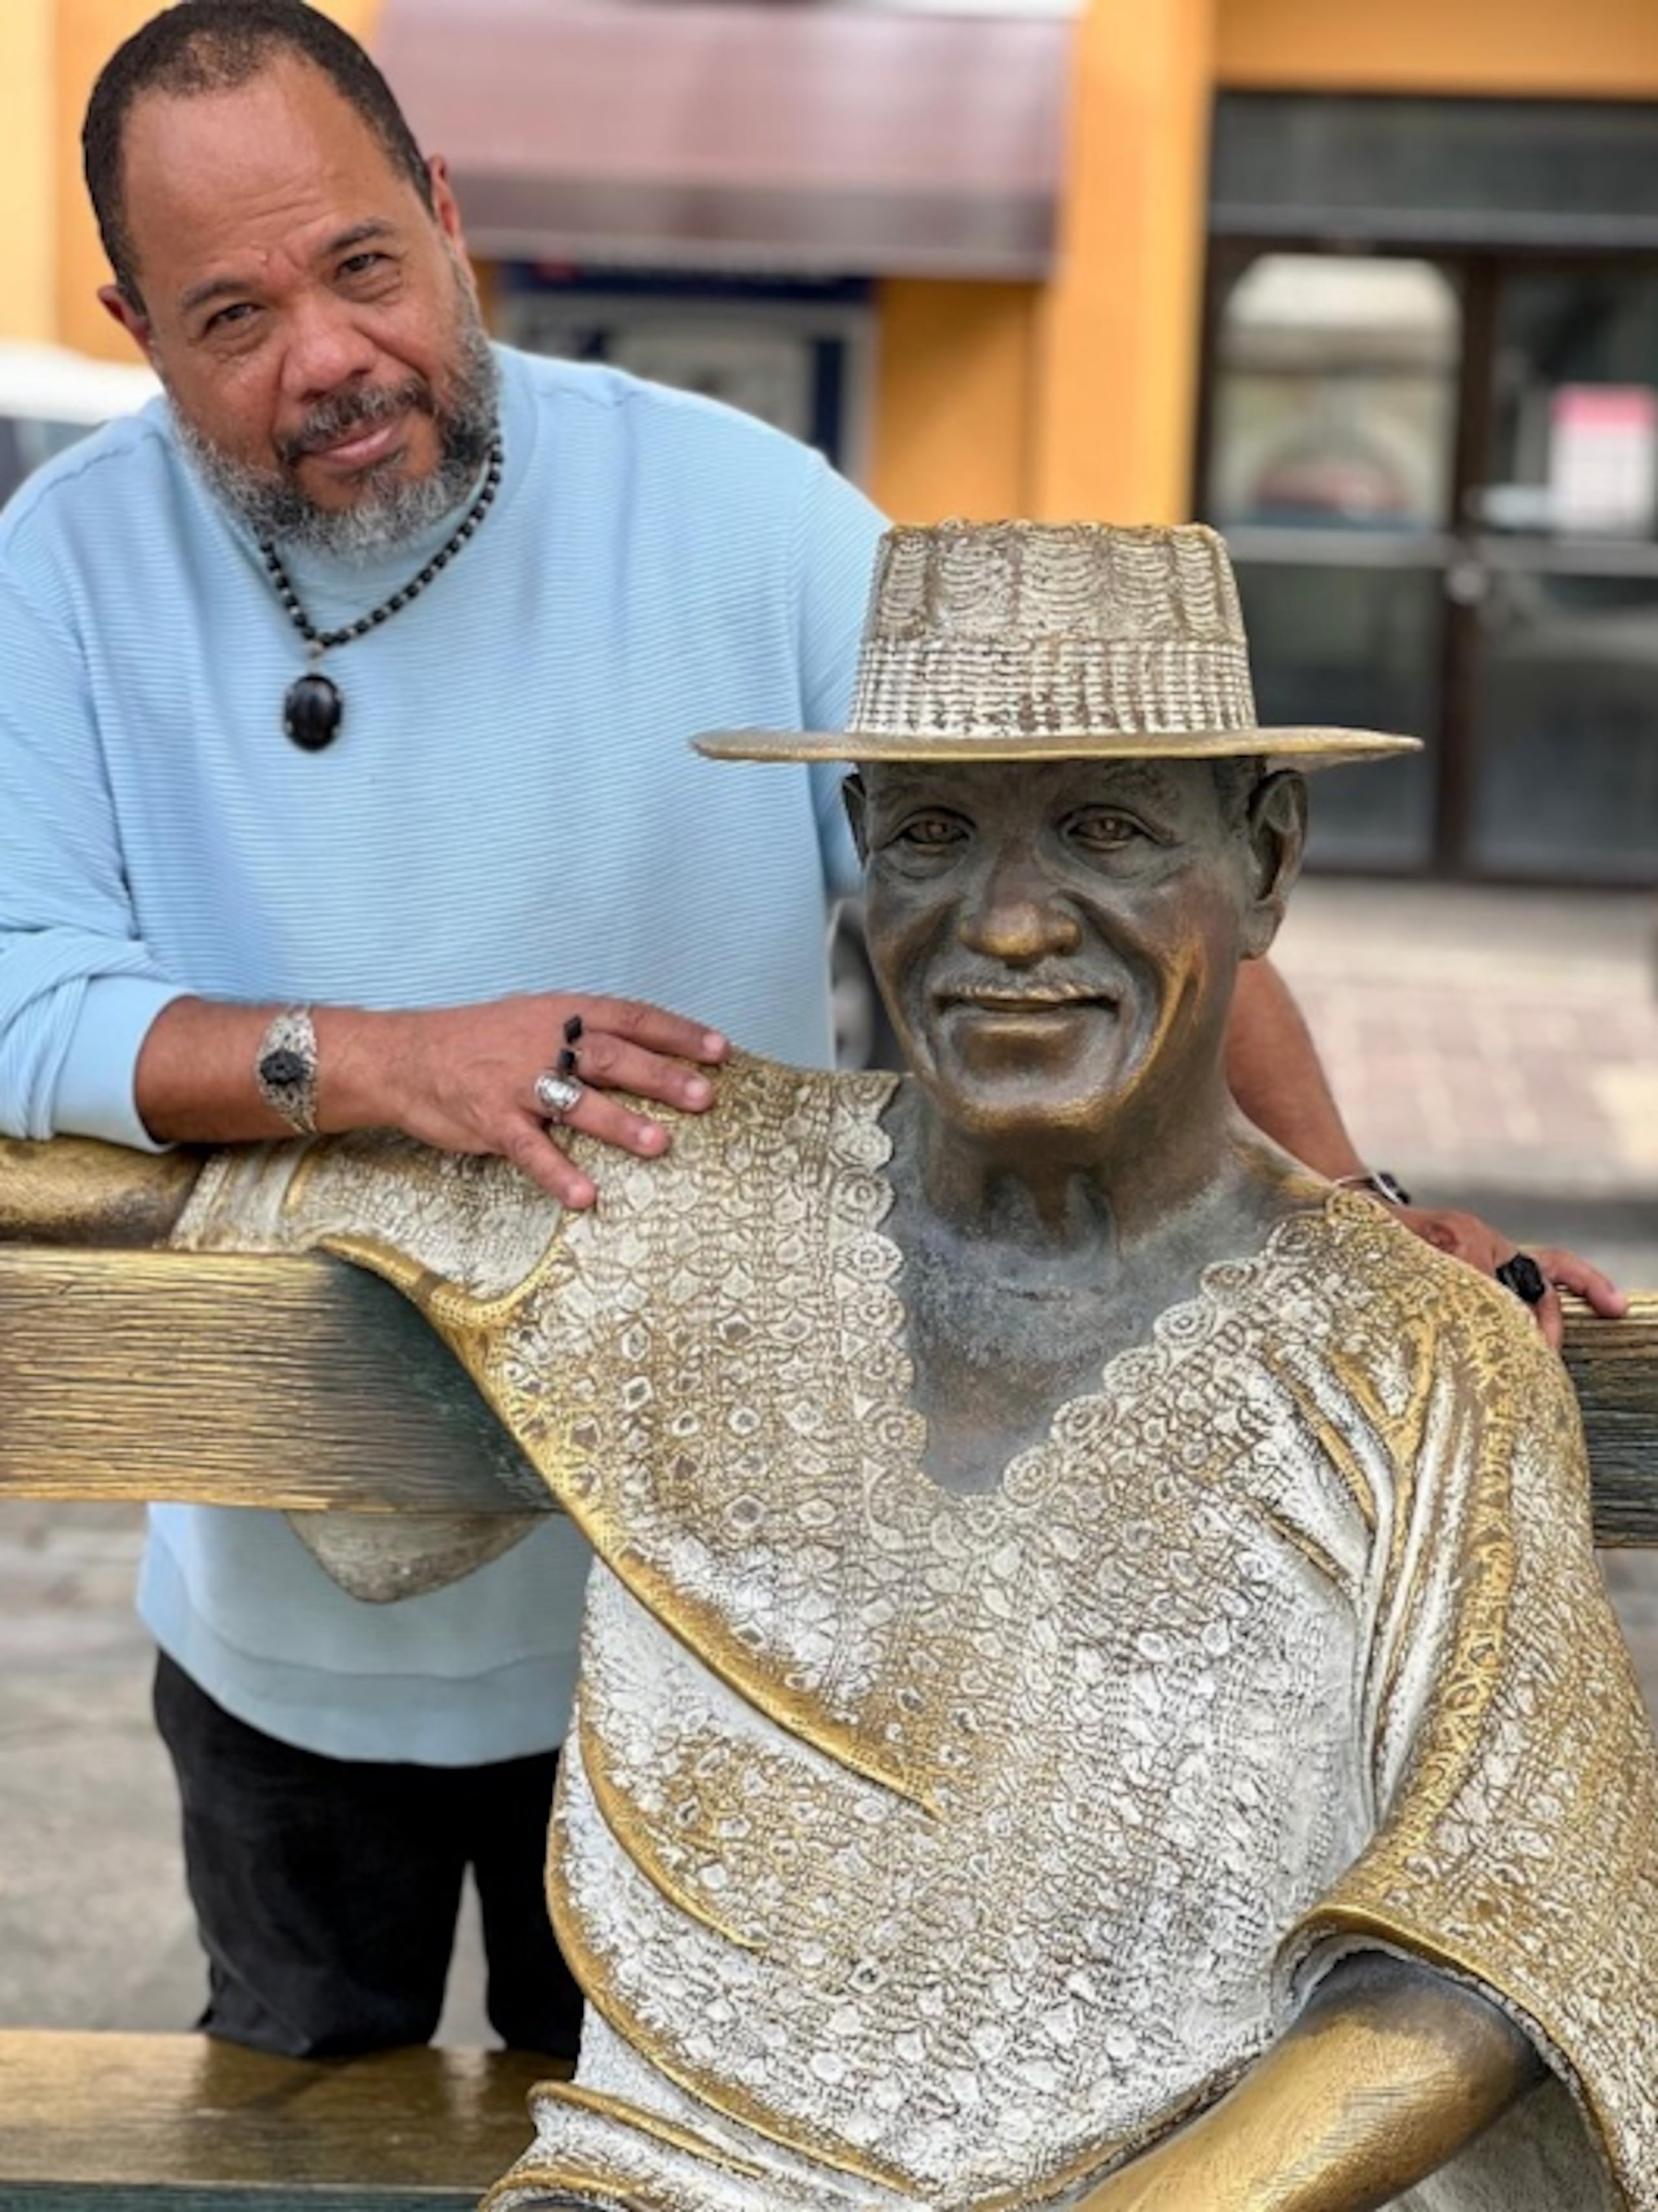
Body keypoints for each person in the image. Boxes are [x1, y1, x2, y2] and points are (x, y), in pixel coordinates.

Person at [0, 0, 1619, 2064]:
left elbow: (1127, 877)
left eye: (360, 266)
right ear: (140, 329)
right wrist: (391, 1059)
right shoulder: (62, 570)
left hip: (718, 1636)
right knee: (301, 2141)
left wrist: (1361, 1209)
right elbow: (13, 993)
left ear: (447, 216)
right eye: (232, 316)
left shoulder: (736, 513)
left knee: (710, 2150)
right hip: (281, 1639)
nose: (324, 356)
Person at [163, 520, 1658, 2209]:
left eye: (1104, 832)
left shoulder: (1415, 1354)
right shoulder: (651, 1187)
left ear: (1266, 862)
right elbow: (119, 1175)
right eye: (935, 835)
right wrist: (356, 1058)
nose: (1008, 925)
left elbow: (1514, 1920)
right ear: (861, 850)